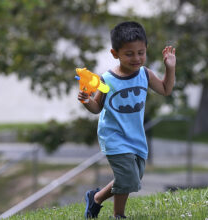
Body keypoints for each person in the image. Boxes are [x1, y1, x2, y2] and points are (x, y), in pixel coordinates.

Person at [79, 21, 176, 219]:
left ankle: (95, 198)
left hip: (135, 136)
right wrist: (87, 101)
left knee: (132, 178)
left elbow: (166, 90)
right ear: (115, 54)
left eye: (141, 52)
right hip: (114, 136)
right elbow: (97, 107)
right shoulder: (108, 80)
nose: (136, 58)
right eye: (129, 54)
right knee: (127, 178)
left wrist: (170, 68)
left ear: (146, 49)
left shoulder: (145, 74)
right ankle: (119, 215)